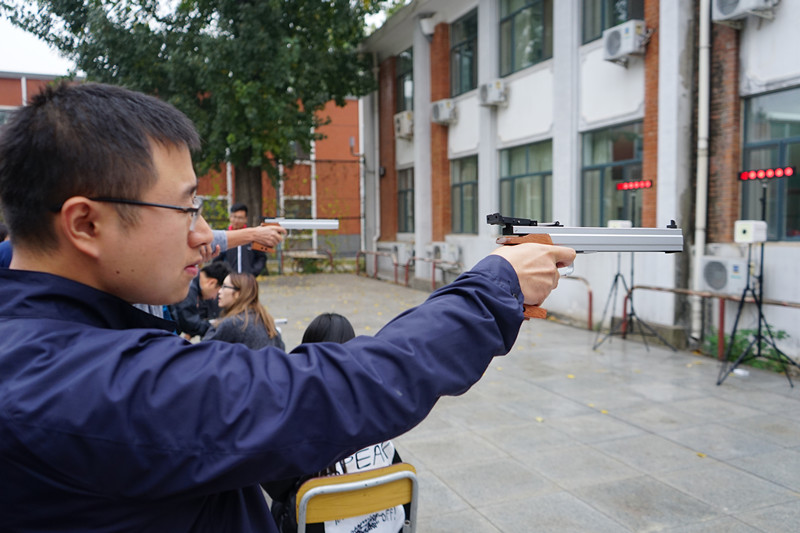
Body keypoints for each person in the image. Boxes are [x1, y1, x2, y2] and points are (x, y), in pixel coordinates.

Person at [0, 81, 575, 531]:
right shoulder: (85, 386)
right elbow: (337, 389)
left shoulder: (35, 325)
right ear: (85, 224)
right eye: (186, 209)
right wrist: (495, 286)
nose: (203, 235)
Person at [268, 313, 404, 533]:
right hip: (387, 525)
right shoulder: (375, 409)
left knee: (277, 504)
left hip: (321, 524)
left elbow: (276, 486)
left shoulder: (300, 418)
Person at [202, 272, 285, 350]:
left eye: (224, 287)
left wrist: (216, 324)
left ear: (238, 293)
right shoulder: (265, 320)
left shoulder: (233, 323)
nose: (219, 291)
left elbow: (204, 350)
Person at [171, 262, 231, 338]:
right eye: (217, 293)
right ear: (212, 282)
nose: (214, 298)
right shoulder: (190, 287)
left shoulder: (193, 281)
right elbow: (190, 323)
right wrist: (217, 326)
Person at [215, 202, 268, 276]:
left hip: (248, 279)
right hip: (230, 279)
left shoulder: (252, 236)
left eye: (240, 218)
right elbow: (217, 260)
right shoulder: (224, 237)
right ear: (230, 217)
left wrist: (253, 272)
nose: (236, 220)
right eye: (234, 217)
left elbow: (261, 258)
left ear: (246, 219)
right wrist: (225, 274)